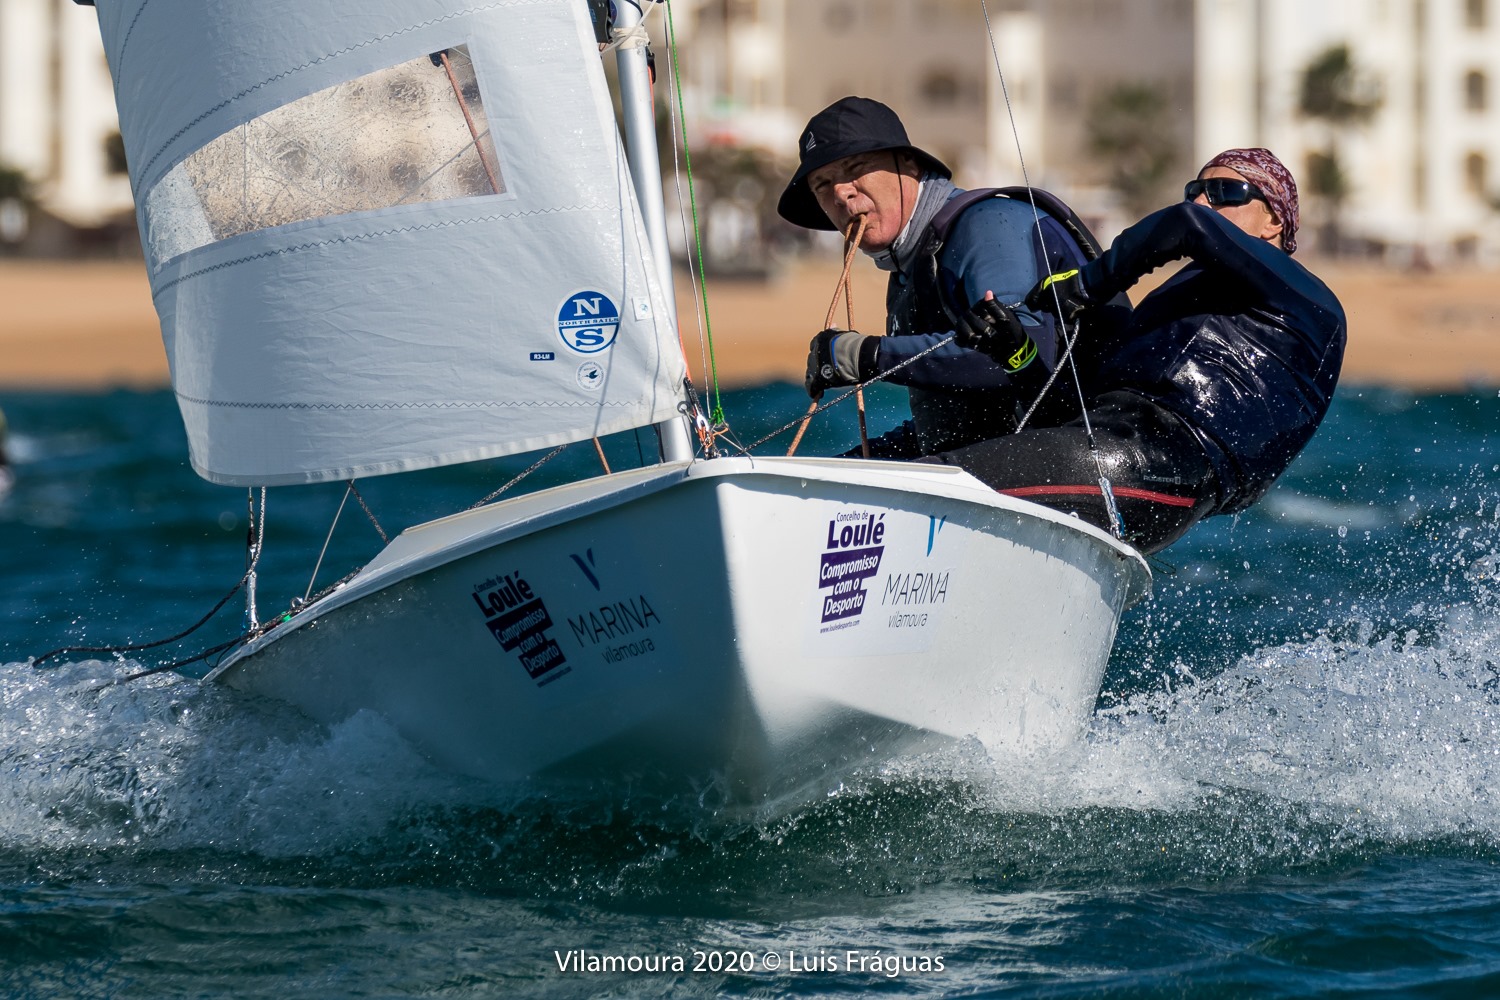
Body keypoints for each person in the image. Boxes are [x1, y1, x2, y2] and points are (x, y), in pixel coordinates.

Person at [941, 148, 1347, 554]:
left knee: (937, 480)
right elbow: (1067, 417)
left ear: (1274, 219)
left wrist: (1087, 284)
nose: (1203, 202)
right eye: (1195, 191)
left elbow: (1184, 222)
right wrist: (1016, 353)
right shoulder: (1174, 308)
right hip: (1122, 471)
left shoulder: (1310, 302)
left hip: (1157, 462)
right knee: (931, 467)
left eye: (1225, 191)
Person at [776, 97, 1129, 456]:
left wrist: (867, 356)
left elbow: (1019, 357)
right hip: (1009, 462)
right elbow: (953, 425)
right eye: (823, 184)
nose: (841, 192)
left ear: (909, 165)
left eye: (855, 167)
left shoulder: (986, 225)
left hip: (1097, 455)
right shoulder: (910, 272)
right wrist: (838, 473)